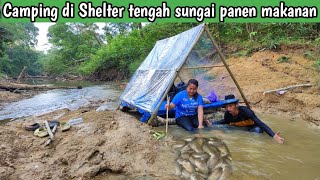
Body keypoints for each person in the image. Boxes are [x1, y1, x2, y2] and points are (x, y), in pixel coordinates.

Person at [213, 94, 285, 144]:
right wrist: (212, 124)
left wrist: (273, 135)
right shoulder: (227, 114)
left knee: (258, 131)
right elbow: (225, 121)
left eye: (230, 106)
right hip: (241, 128)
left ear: (237, 105)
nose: (228, 109)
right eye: (226, 107)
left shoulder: (246, 111)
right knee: (227, 130)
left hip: (252, 127)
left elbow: (260, 123)